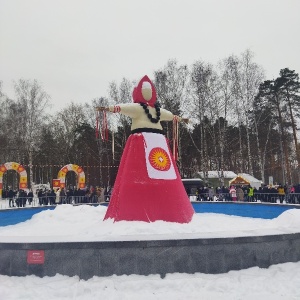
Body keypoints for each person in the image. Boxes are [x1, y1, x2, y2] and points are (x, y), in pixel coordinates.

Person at [96, 75, 194, 223]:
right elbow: (123, 108)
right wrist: (108, 108)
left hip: (158, 143)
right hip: (142, 141)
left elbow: (170, 115)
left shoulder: (157, 111)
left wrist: (181, 119)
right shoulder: (138, 109)